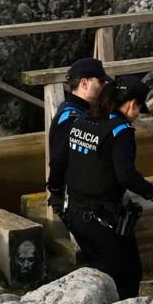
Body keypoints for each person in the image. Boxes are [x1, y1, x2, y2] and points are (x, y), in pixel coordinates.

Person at [60, 73, 153, 298]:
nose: (136, 117)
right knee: (128, 273)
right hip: (100, 218)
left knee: (100, 272)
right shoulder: (121, 131)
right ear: (132, 104)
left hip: (74, 214)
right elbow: (127, 176)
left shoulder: (82, 120)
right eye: (138, 110)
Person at [46, 57, 110, 215]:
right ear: (84, 83)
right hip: (77, 202)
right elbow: (59, 159)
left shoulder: (77, 109)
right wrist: (55, 192)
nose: (104, 86)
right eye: (100, 82)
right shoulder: (71, 118)